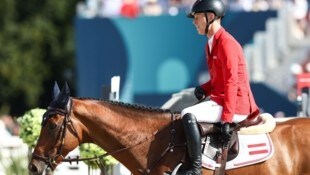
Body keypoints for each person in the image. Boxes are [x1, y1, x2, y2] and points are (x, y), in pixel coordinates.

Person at [180, 0, 260, 174]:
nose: (194, 22)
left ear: (210, 17)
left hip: (236, 105)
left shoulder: (226, 43)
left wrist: (226, 119)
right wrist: (205, 88)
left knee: (187, 114)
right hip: (223, 99)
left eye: (197, 17)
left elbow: (232, 82)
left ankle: (195, 169)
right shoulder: (212, 43)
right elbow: (220, 80)